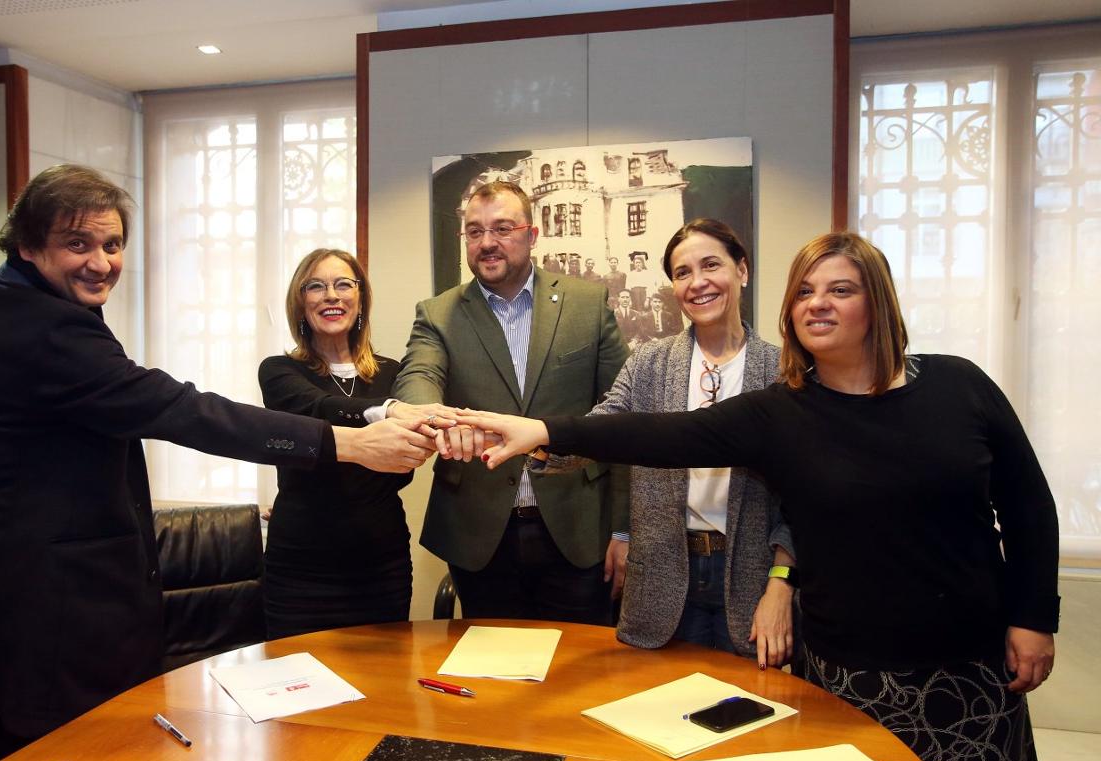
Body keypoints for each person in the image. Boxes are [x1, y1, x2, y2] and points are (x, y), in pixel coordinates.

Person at [462, 232, 1058, 761]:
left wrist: (1034, 617)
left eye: (840, 289)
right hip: (849, 670)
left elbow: (1029, 504)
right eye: (804, 292)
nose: (817, 302)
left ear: (878, 301)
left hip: (968, 663)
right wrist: (541, 432)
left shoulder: (960, 385)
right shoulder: (785, 411)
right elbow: (660, 435)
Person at [0, 165, 437, 761]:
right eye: (77, 244)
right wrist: (348, 444)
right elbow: (177, 409)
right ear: (28, 244)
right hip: (36, 611)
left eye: (112, 245)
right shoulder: (40, 327)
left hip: (4, 596)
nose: (101, 263)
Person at [394, 180, 629, 624]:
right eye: (475, 231)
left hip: (578, 528)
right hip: (479, 534)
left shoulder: (587, 303)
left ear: (532, 235)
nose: (487, 243)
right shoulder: (438, 313)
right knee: (491, 676)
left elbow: (626, 414)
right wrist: (438, 419)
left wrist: (624, 527)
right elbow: (418, 376)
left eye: (502, 228)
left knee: (578, 680)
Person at [567, 220, 794, 669]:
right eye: (682, 272)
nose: (698, 282)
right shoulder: (650, 362)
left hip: (749, 581)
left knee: (744, 719)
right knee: (654, 718)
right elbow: (602, 430)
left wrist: (782, 583)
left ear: (742, 271)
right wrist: (533, 441)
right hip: (662, 579)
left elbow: (802, 498)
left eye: (711, 265)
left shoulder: (784, 370)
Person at [258, 249, 434, 639]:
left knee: (381, 685)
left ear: (360, 298)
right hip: (300, 567)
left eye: (343, 285)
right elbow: (316, 407)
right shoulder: (280, 372)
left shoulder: (394, 373)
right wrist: (384, 414)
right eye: (316, 286)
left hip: (379, 563)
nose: (331, 296)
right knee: (297, 685)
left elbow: (402, 465)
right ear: (300, 303)